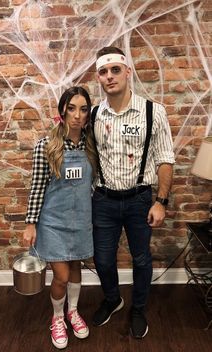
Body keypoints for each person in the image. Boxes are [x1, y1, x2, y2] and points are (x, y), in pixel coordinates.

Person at [91, 47, 175, 339]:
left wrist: (160, 201)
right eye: (103, 71)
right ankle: (113, 299)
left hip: (140, 199)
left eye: (115, 69)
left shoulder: (153, 111)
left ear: (128, 72)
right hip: (103, 200)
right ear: (98, 77)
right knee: (102, 260)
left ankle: (138, 307)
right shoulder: (92, 115)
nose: (109, 76)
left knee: (141, 259)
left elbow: (165, 158)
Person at [23, 86, 97, 350]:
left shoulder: (91, 144)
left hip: (81, 220)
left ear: (88, 114)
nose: (77, 115)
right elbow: (37, 187)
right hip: (53, 222)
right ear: (63, 110)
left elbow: (93, 182)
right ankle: (57, 318)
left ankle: (73, 312)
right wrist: (31, 223)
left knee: (76, 269)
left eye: (84, 109)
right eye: (72, 108)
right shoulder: (47, 145)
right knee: (62, 277)